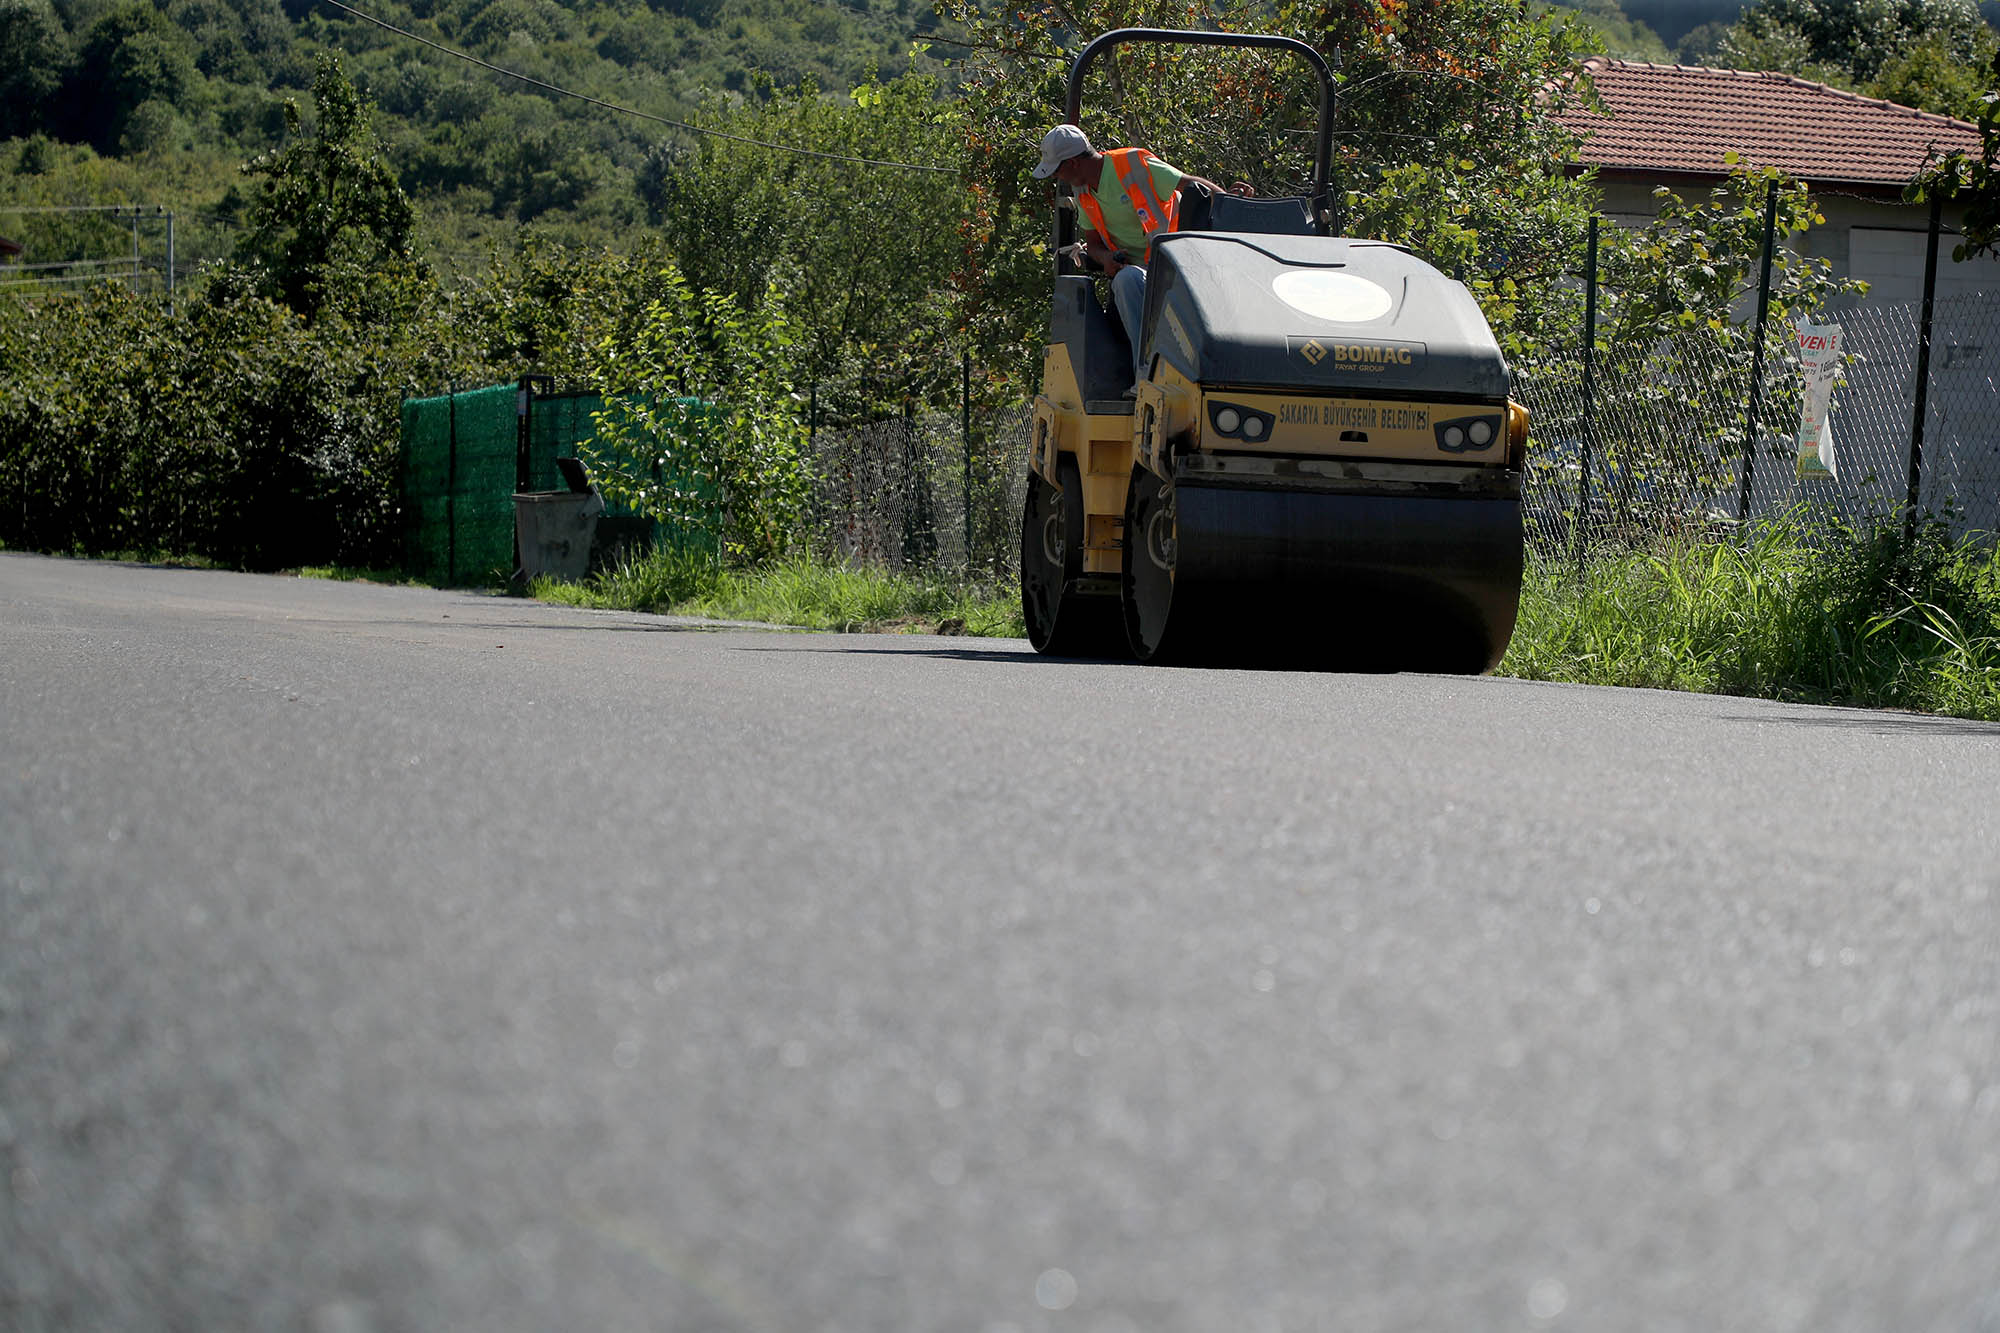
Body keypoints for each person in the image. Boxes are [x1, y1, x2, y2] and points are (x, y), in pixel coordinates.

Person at [1033, 123, 1199, 392]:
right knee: (1125, 279)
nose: (1058, 178)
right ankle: (1145, 375)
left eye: (1058, 171)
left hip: (1176, 266)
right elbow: (1093, 245)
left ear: (1073, 163)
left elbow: (1192, 185)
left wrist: (1230, 201)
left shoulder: (1133, 165)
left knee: (1126, 280)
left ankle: (1151, 376)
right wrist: (1106, 258)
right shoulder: (1084, 192)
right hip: (1138, 274)